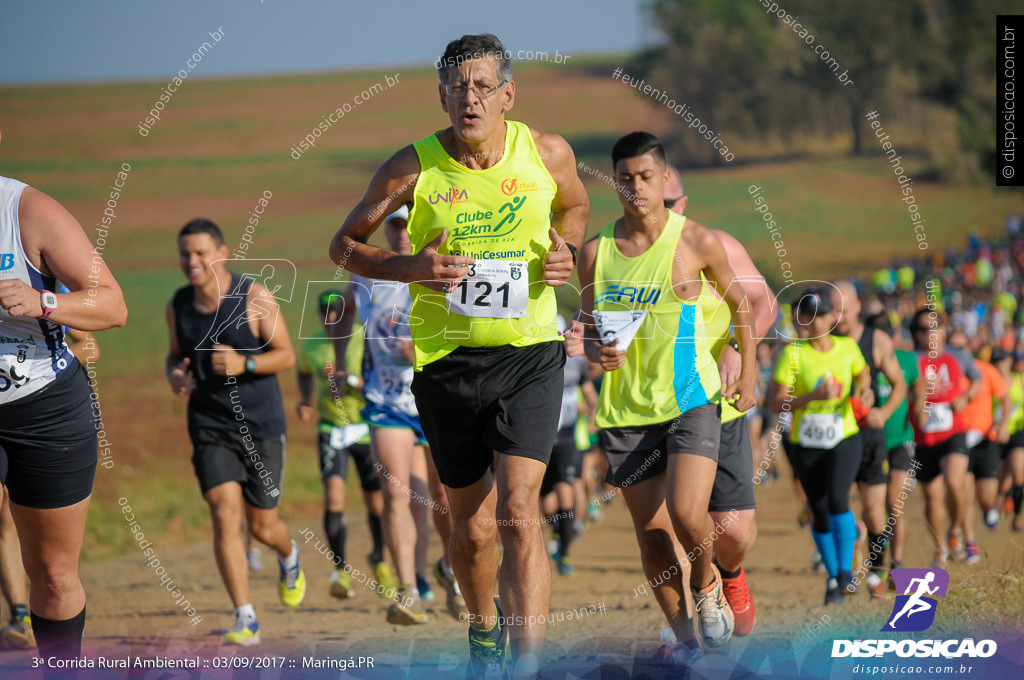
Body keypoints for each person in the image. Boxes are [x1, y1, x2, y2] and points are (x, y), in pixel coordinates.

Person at [330, 33, 587, 677]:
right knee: (472, 528)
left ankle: (527, 664)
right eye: (457, 87)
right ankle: (482, 630)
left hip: (530, 352)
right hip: (447, 364)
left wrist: (568, 253)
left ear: (507, 93)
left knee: (521, 512)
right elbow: (343, 246)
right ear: (441, 95)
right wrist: (412, 266)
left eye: (481, 87)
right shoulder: (410, 169)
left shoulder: (547, 153)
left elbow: (576, 205)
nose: (469, 99)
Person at [576, 132, 757, 661]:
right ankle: (686, 645)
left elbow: (741, 306)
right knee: (653, 537)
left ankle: (707, 589)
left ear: (663, 178)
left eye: (645, 177)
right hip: (625, 411)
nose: (635, 187)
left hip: (689, 399)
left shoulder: (695, 241)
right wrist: (596, 353)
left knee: (687, 514)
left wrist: (747, 370)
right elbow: (589, 330)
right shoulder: (595, 253)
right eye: (625, 178)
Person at [0, 173, 127, 661]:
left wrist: (43, 302)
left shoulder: (30, 214)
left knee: (53, 575)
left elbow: (114, 305)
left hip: (46, 411)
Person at [165, 218, 305, 646]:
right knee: (223, 511)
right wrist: (175, 376)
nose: (192, 261)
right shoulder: (179, 305)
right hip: (209, 422)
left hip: (260, 425)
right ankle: (246, 617)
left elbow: (286, 356)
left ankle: (289, 554)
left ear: (221, 253)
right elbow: (174, 356)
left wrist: (245, 363)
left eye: (200, 253)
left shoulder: (254, 297)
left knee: (262, 527)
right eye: (185, 253)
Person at [664, 165, 776, 637]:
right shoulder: (620, 252)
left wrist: (735, 344)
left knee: (732, 531)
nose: (655, 209)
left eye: (668, 202)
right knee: (668, 525)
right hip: (658, 408)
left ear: (683, 205)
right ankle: (683, 628)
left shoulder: (716, 246)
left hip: (718, 403)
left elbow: (764, 301)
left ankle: (730, 574)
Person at [340, 206, 444, 625]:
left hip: (436, 400)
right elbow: (340, 308)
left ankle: (445, 571)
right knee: (397, 496)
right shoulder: (367, 274)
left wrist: (422, 353)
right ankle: (408, 591)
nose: (402, 232)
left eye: (408, 224)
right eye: (395, 225)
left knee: (441, 502)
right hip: (386, 402)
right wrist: (340, 359)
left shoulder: (443, 268)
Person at [769, 287, 872, 605]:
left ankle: (845, 571)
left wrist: (865, 392)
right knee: (818, 510)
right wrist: (813, 397)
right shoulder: (793, 353)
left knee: (839, 499)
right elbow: (774, 402)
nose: (813, 323)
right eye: (806, 316)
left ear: (831, 316)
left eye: (820, 315)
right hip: (806, 441)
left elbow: (863, 373)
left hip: (844, 436)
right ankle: (833, 577)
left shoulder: (847, 347)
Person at [296, 289, 395, 599]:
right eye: (325, 313)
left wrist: (351, 382)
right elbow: (303, 372)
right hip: (331, 429)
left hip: (365, 428)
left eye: (336, 312)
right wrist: (305, 400)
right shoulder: (312, 347)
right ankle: (341, 571)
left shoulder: (362, 339)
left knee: (376, 502)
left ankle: (380, 560)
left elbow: (380, 379)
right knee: (334, 498)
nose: (331, 319)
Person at [831, 281, 907, 597]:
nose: (840, 317)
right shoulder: (824, 342)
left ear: (859, 306)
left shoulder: (876, 340)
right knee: (833, 503)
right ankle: (845, 556)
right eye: (834, 310)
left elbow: (899, 384)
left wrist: (884, 413)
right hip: (835, 436)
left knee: (875, 510)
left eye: (845, 310)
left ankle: (876, 568)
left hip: (869, 436)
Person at [907, 309, 978, 567]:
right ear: (916, 334)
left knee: (954, 480)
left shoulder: (959, 355)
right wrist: (915, 407)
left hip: (954, 431)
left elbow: (977, 379)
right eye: (924, 330)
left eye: (935, 327)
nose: (931, 334)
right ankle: (940, 548)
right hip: (924, 437)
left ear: (945, 330)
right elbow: (901, 390)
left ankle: (956, 530)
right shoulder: (910, 360)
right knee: (932, 497)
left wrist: (966, 397)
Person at [865, 313, 925, 581]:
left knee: (895, 503)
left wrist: (921, 404)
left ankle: (897, 563)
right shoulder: (863, 358)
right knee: (874, 507)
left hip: (901, 439)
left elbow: (917, 384)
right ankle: (877, 557)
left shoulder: (907, 359)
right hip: (871, 440)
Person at [540, 315, 593, 577]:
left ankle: (565, 553)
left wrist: (593, 415)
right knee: (548, 504)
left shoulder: (576, 360)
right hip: (540, 436)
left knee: (566, 491)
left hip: (568, 435)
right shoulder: (537, 358)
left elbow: (588, 390)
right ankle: (556, 536)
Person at [955, 337, 1010, 560]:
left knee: (986, 496)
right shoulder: (947, 372)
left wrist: (1002, 424)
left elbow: (1005, 399)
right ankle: (970, 543)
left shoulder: (985, 370)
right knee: (965, 494)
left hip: (985, 439)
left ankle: (990, 508)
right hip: (959, 441)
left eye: (963, 347)